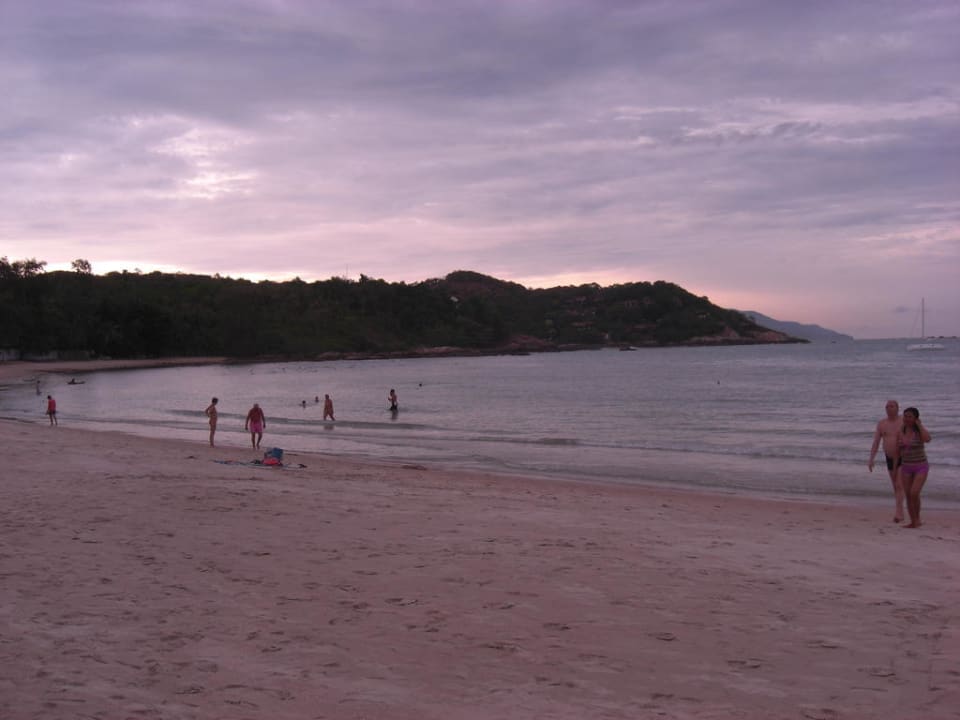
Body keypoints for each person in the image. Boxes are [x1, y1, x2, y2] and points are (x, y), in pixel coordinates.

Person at [868, 399, 904, 522]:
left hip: (903, 457)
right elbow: (876, 442)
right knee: (895, 486)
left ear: (897, 408)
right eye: (887, 407)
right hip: (889, 457)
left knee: (899, 484)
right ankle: (901, 510)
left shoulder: (903, 421)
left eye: (891, 406)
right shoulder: (882, 424)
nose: (889, 408)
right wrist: (871, 459)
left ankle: (899, 513)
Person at [899, 407, 931, 529]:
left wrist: (919, 425)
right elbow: (898, 449)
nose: (907, 419)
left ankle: (917, 519)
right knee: (908, 495)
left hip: (920, 466)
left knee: (914, 493)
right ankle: (914, 521)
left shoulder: (919, 431)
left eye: (910, 416)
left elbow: (927, 439)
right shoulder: (901, 429)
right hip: (906, 466)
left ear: (916, 418)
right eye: (905, 416)